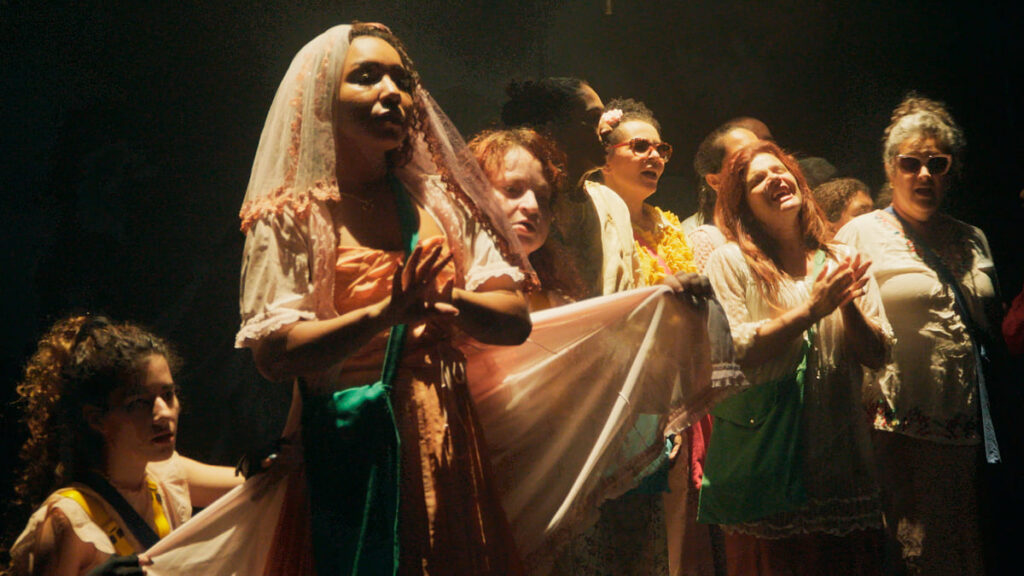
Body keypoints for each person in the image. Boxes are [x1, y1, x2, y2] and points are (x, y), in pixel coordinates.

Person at [234, 23, 533, 575]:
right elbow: (274, 355)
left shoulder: (436, 200)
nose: (391, 92)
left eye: (401, 79)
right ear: (321, 100)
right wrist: (384, 315)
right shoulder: (291, 213)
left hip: (447, 442)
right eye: (366, 78)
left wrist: (452, 299)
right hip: (350, 453)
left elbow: (515, 320)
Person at [704, 140, 888, 574]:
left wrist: (845, 303)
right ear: (742, 204)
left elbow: (879, 353)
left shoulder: (842, 258)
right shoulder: (729, 262)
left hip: (841, 462)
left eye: (780, 171)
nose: (775, 179)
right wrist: (811, 309)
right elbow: (731, 350)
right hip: (769, 462)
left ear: (799, 182)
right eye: (758, 179)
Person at [835, 94, 1001, 575]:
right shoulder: (860, 234)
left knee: (964, 549)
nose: (923, 174)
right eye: (911, 163)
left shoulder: (972, 237)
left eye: (937, 163)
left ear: (952, 171)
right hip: (898, 429)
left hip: (969, 430)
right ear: (890, 169)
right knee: (911, 553)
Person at [7, 315, 242, 576]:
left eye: (168, 395)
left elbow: (261, 486)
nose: (163, 413)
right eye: (139, 402)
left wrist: (267, 460)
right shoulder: (69, 519)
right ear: (96, 419)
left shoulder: (166, 476)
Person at [501, 77, 636, 298]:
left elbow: (632, 292)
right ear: (552, 130)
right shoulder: (520, 204)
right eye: (594, 118)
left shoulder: (612, 204)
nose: (607, 128)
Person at [467, 127, 585, 309]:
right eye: (512, 189)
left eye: (542, 198)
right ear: (474, 195)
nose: (532, 206)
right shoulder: (447, 282)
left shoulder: (559, 303)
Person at [684, 122, 761, 234]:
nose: (760, 163)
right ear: (714, 181)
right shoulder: (702, 236)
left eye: (762, 151)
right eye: (743, 159)